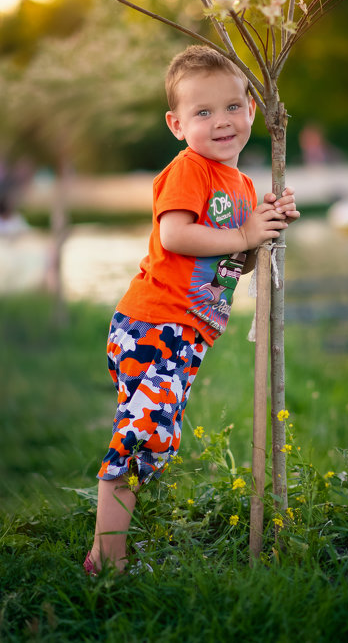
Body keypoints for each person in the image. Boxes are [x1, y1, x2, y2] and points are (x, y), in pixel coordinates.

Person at [84, 45, 299, 574]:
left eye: (231, 106)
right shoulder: (190, 169)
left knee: (155, 438)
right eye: (202, 113)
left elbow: (234, 263)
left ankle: (110, 545)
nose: (221, 121)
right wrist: (243, 232)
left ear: (252, 109)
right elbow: (176, 235)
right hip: (153, 324)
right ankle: (105, 557)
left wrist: (264, 231)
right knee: (143, 435)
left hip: (185, 334)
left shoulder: (243, 185)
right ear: (176, 124)